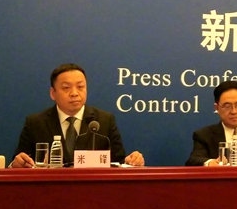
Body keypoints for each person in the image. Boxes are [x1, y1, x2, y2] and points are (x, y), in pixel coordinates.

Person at [10, 63, 144, 168]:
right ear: (53, 93)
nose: (74, 93)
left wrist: (131, 161)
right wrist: (17, 163)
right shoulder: (35, 123)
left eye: (80, 87)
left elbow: (118, 162)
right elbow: (19, 162)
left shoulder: (104, 120)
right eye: (66, 88)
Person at [185, 80, 237, 166]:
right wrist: (210, 163)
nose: (234, 111)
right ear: (217, 108)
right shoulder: (204, 135)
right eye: (227, 106)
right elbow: (193, 160)